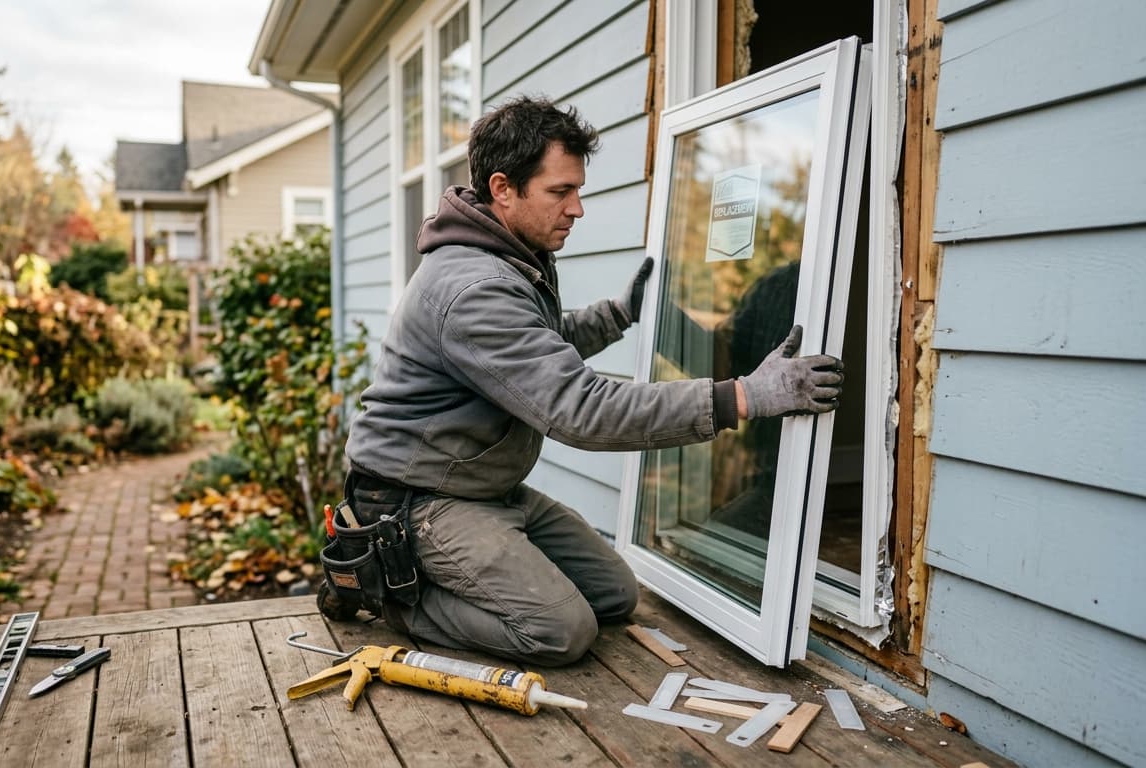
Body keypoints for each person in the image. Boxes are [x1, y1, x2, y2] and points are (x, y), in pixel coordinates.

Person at [339, 95, 843, 665]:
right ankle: (386, 592)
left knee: (613, 595)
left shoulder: (509, 253)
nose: (576, 208)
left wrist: (622, 312)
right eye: (560, 192)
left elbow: (535, 352)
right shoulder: (474, 286)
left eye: (577, 189)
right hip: (418, 502)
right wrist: (745, 395)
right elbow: (581, 409)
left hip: (480, 486)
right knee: (560, 630)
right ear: (503, 188)